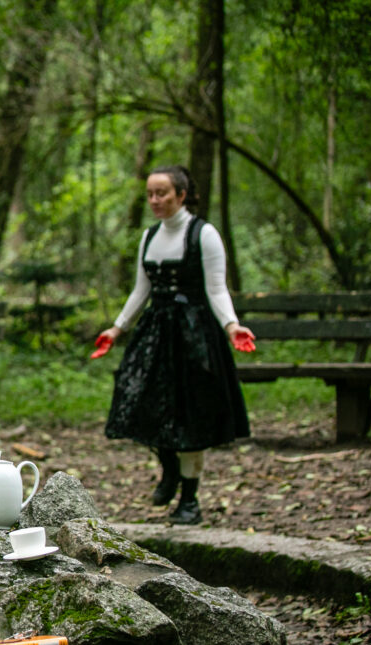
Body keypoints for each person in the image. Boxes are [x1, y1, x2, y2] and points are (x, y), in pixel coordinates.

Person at [91, 165, 256, 525]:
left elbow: (216, 288)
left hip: (195, 337)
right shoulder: (149, 237)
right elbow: (141, 289)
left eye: (162, 193)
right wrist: (117, 329)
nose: (154, 200)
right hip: (155, 336)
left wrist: (231, 326)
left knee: (191, 416)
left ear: (181, 195)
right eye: (150, 194)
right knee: (141, 403)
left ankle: (189, 499)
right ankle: (168, 468)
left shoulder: (204, 234)